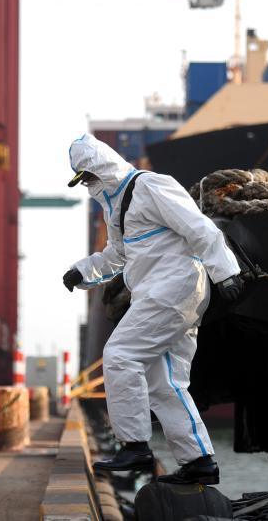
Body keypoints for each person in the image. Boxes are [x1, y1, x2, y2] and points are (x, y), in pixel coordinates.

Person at [62, 134, 244, 485]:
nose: (88, 185)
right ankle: (199, 462)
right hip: (161, 293)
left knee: (119, 354)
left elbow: (199, 228)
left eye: (88, 177)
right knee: (165, 383)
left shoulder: (151, 186)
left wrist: (227, 273)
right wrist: (83, 271)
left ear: (102, 167)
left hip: (173, 289)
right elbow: (118, 255)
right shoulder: (117, 207)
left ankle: (135, 446)